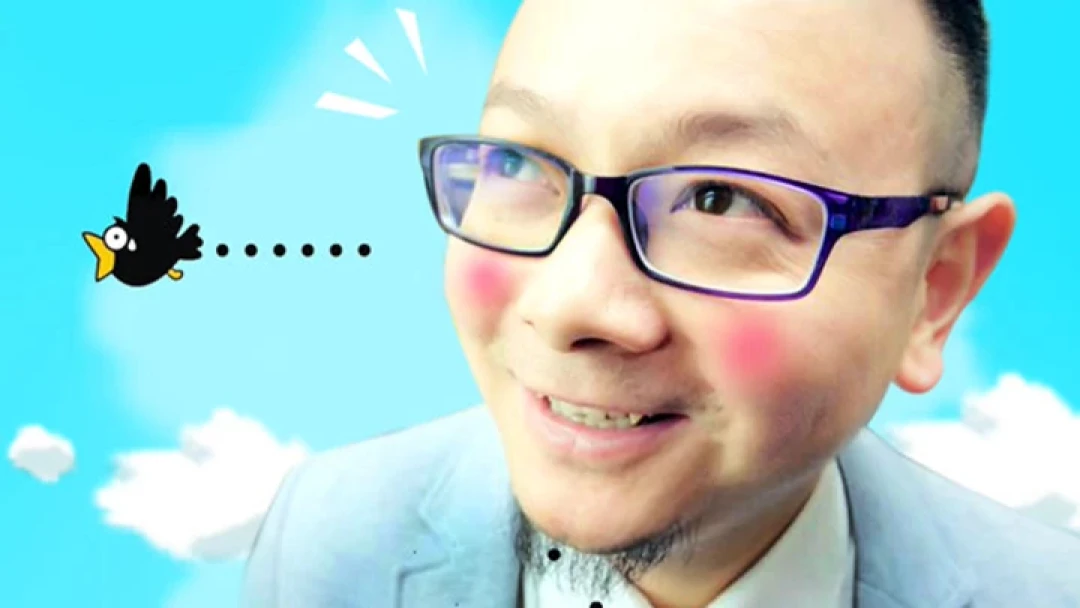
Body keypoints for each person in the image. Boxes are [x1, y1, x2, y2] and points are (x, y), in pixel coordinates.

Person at [243, 0, 1080, 606]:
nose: (570, 305)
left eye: (721, 200)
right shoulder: (324, 540)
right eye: (518, 162)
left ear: (936, 289)